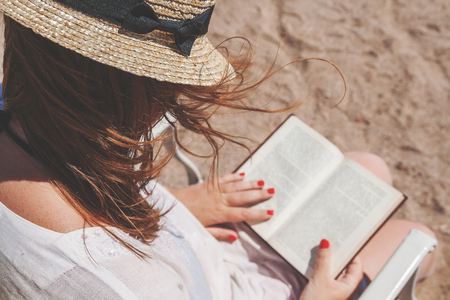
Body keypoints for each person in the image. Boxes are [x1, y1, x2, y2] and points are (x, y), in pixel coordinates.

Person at [0, 0, 436, 299]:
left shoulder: (34, 118)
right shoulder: (119, 285)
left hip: (193, 245)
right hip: (221, 282)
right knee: (419, 240)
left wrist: (180, 206)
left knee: (368, 168)